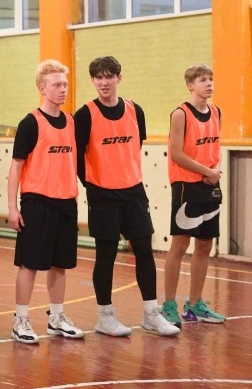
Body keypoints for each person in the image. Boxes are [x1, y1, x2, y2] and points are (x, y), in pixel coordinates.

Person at [74, 56, 179, 337]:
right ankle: (105, 316)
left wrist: (125, 176)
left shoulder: (135, 110)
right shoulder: (84, 115)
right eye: (98, 77)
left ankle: (151, 314)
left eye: (109, 76)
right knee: (106, 255)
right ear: (93, 81)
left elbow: (135, 147)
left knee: (144, 251)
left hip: (133, 192)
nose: (104, 82)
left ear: (119, 78)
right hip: (102, 195)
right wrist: (93, 186)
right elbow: (77, 158)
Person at [7, 60, 85, 345]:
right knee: (29, 264)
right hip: (37, 202)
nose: (63, 89)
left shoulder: (72, 122)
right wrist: (13, 207)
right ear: (42, 88)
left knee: (59, 265)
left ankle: (57, 317)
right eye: (56, 85)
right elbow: (16, 166)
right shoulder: (30, 123)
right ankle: (20, 320)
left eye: (65, 84)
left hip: (66, 202)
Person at [161, 64, 225, 327]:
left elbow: (216, 147)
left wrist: (214, 171)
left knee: (205, 244)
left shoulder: (216, 111)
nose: (209, 84)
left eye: (211, 79)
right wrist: (206, 171)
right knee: (180, 245)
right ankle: (168, 305)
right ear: (190, 85)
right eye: (202, 80)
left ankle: (195, 304)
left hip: (209, 184)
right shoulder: (180, 114)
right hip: (187, 185)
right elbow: (176, 154)